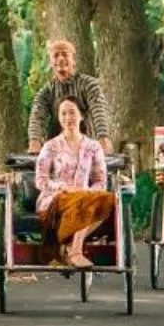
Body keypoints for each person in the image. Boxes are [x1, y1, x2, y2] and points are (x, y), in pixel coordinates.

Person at [33, 95, 117, 267]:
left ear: (81, 115)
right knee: (85, 201)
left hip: (86, 197)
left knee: (109, 199)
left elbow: (100, 181)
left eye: (72, 112)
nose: (68, 118)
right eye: (63, 114)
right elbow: (41, 180)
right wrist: (63, 187)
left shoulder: (94, 147)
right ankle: (76, 252)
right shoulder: (51, 146)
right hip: (56, 198)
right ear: (58, 118)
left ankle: (71, 246)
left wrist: (88, 192)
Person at [26, 38, 112, 148]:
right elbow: (37, 117)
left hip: (89, 145)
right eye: (56, 55)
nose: (61, 59)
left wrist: (103, 138)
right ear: (51, 62)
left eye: (65, 54)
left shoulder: (89, 85)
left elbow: (99, 110)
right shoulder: (46, 92)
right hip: (59, 147)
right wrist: (34, 142)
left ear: (73, 60)